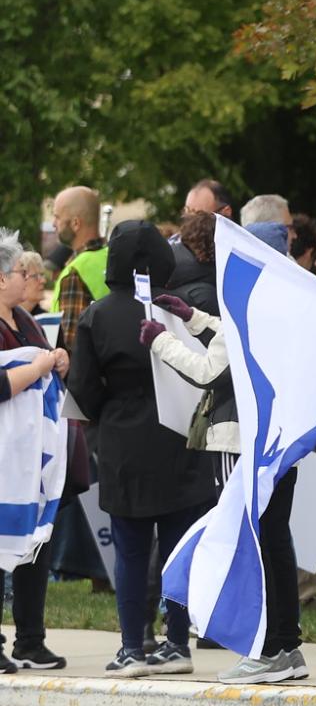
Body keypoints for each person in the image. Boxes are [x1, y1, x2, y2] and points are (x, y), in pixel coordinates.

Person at [142, 274, 309, 686]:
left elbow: (209, 372)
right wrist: (196, 319)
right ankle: (287, 646)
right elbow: (232, 341)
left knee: (251, 548)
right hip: (280, 443)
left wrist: (161, 341)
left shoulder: (250, 309)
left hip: (240, 444)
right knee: (275, 542)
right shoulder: (287, 310)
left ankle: (266, 650)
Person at [67, 221, 215, 677]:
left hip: (123, 442)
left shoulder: (98, 315)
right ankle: (176, 642)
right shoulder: (180, 309)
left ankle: (132, 646)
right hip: (180, 439)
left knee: (130, 551)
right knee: (178, 549)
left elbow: (84, 391)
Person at [0, 230, 68, 672]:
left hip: (30, 454)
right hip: (5, 454)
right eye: (16, 272)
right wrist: (39, 366)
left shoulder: (23, 319)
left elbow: (46, 362)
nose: (23, 278)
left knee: (35, 544)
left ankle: (31, 639)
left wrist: (58, 360)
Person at [50, 186, 106, 354]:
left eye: (57, 217)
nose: (53, 224)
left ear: (75, 223)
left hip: (83, 377)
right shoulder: (112, 257)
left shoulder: (75, 273)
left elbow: (72, 345)